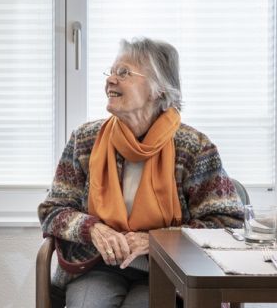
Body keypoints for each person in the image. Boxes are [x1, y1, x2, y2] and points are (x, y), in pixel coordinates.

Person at [37, 37, 245, 308]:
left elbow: (227, 223)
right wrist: (93, 229)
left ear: (158, 89)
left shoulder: (194, 147)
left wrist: (156, 241)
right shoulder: (85, 139)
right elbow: (52, 211)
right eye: (111, 72)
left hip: (169, 269)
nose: (111, 80)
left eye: (124, 73)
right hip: (97, 265)